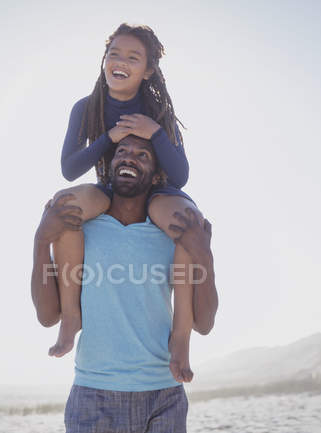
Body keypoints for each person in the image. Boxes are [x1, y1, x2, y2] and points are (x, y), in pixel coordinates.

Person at [48, 23, 205, 385]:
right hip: (109, 186)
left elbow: (179, 175)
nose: (120, 62)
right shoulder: (87, 107)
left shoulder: (159, 109)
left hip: (159, 191)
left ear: (148, 69)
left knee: (186, 219)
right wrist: (108, 138)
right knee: (65, 204)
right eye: (114, 53)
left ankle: (180, 337)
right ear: (104, 59)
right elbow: (70, 169)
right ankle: (71, 317)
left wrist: (156, 133)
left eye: (133, 57)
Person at [31, 135, 218, 432]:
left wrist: (204, 256)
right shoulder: (79, 229)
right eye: (122, 152)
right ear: (110, 164)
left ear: (156, 174)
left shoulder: (172, 234)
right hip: (93, 394)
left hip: (164, 395)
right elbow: (45, 316)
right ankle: (72, 319)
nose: (130, 157)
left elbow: (205, 323)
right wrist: (41, 242)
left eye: (142, 155)